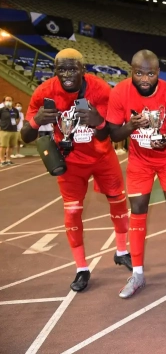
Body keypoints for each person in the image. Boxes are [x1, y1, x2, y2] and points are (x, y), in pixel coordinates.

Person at [21, 48, 131, 292]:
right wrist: (37, 120)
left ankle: (122, 250)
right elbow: (25, 136)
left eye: (72, 69)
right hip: (70, 161)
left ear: (83, 69)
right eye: (62, 69)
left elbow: (109, 134)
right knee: (72, 212)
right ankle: (81, 268)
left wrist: (98, 121)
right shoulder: (44, 91)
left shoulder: (100, 89)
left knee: (118, 200)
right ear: (55, 70)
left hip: (102, 156)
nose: (67, 74)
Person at [107, 49, 166, 298]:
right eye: (139, 73)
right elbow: (113, 134)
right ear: (131, 71)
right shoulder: (120, 92)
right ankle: (137, 274)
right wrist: (130, 126)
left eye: (150, 74)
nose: (144, 79)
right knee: (137, 210)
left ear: (158, 72)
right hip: (140, 160)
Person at [0, 96, 19, 166]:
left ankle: (8, 159)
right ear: (4, 102)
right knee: (3, 146)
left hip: (14, 130)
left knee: (11, 146)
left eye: (10, 100)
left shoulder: (15, 110)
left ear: (12, 102)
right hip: (4, 130)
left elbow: (18, 118)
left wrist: (17, 122)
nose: (8, 101)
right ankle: (2, 160)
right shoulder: (2, 110)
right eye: (7, 100)